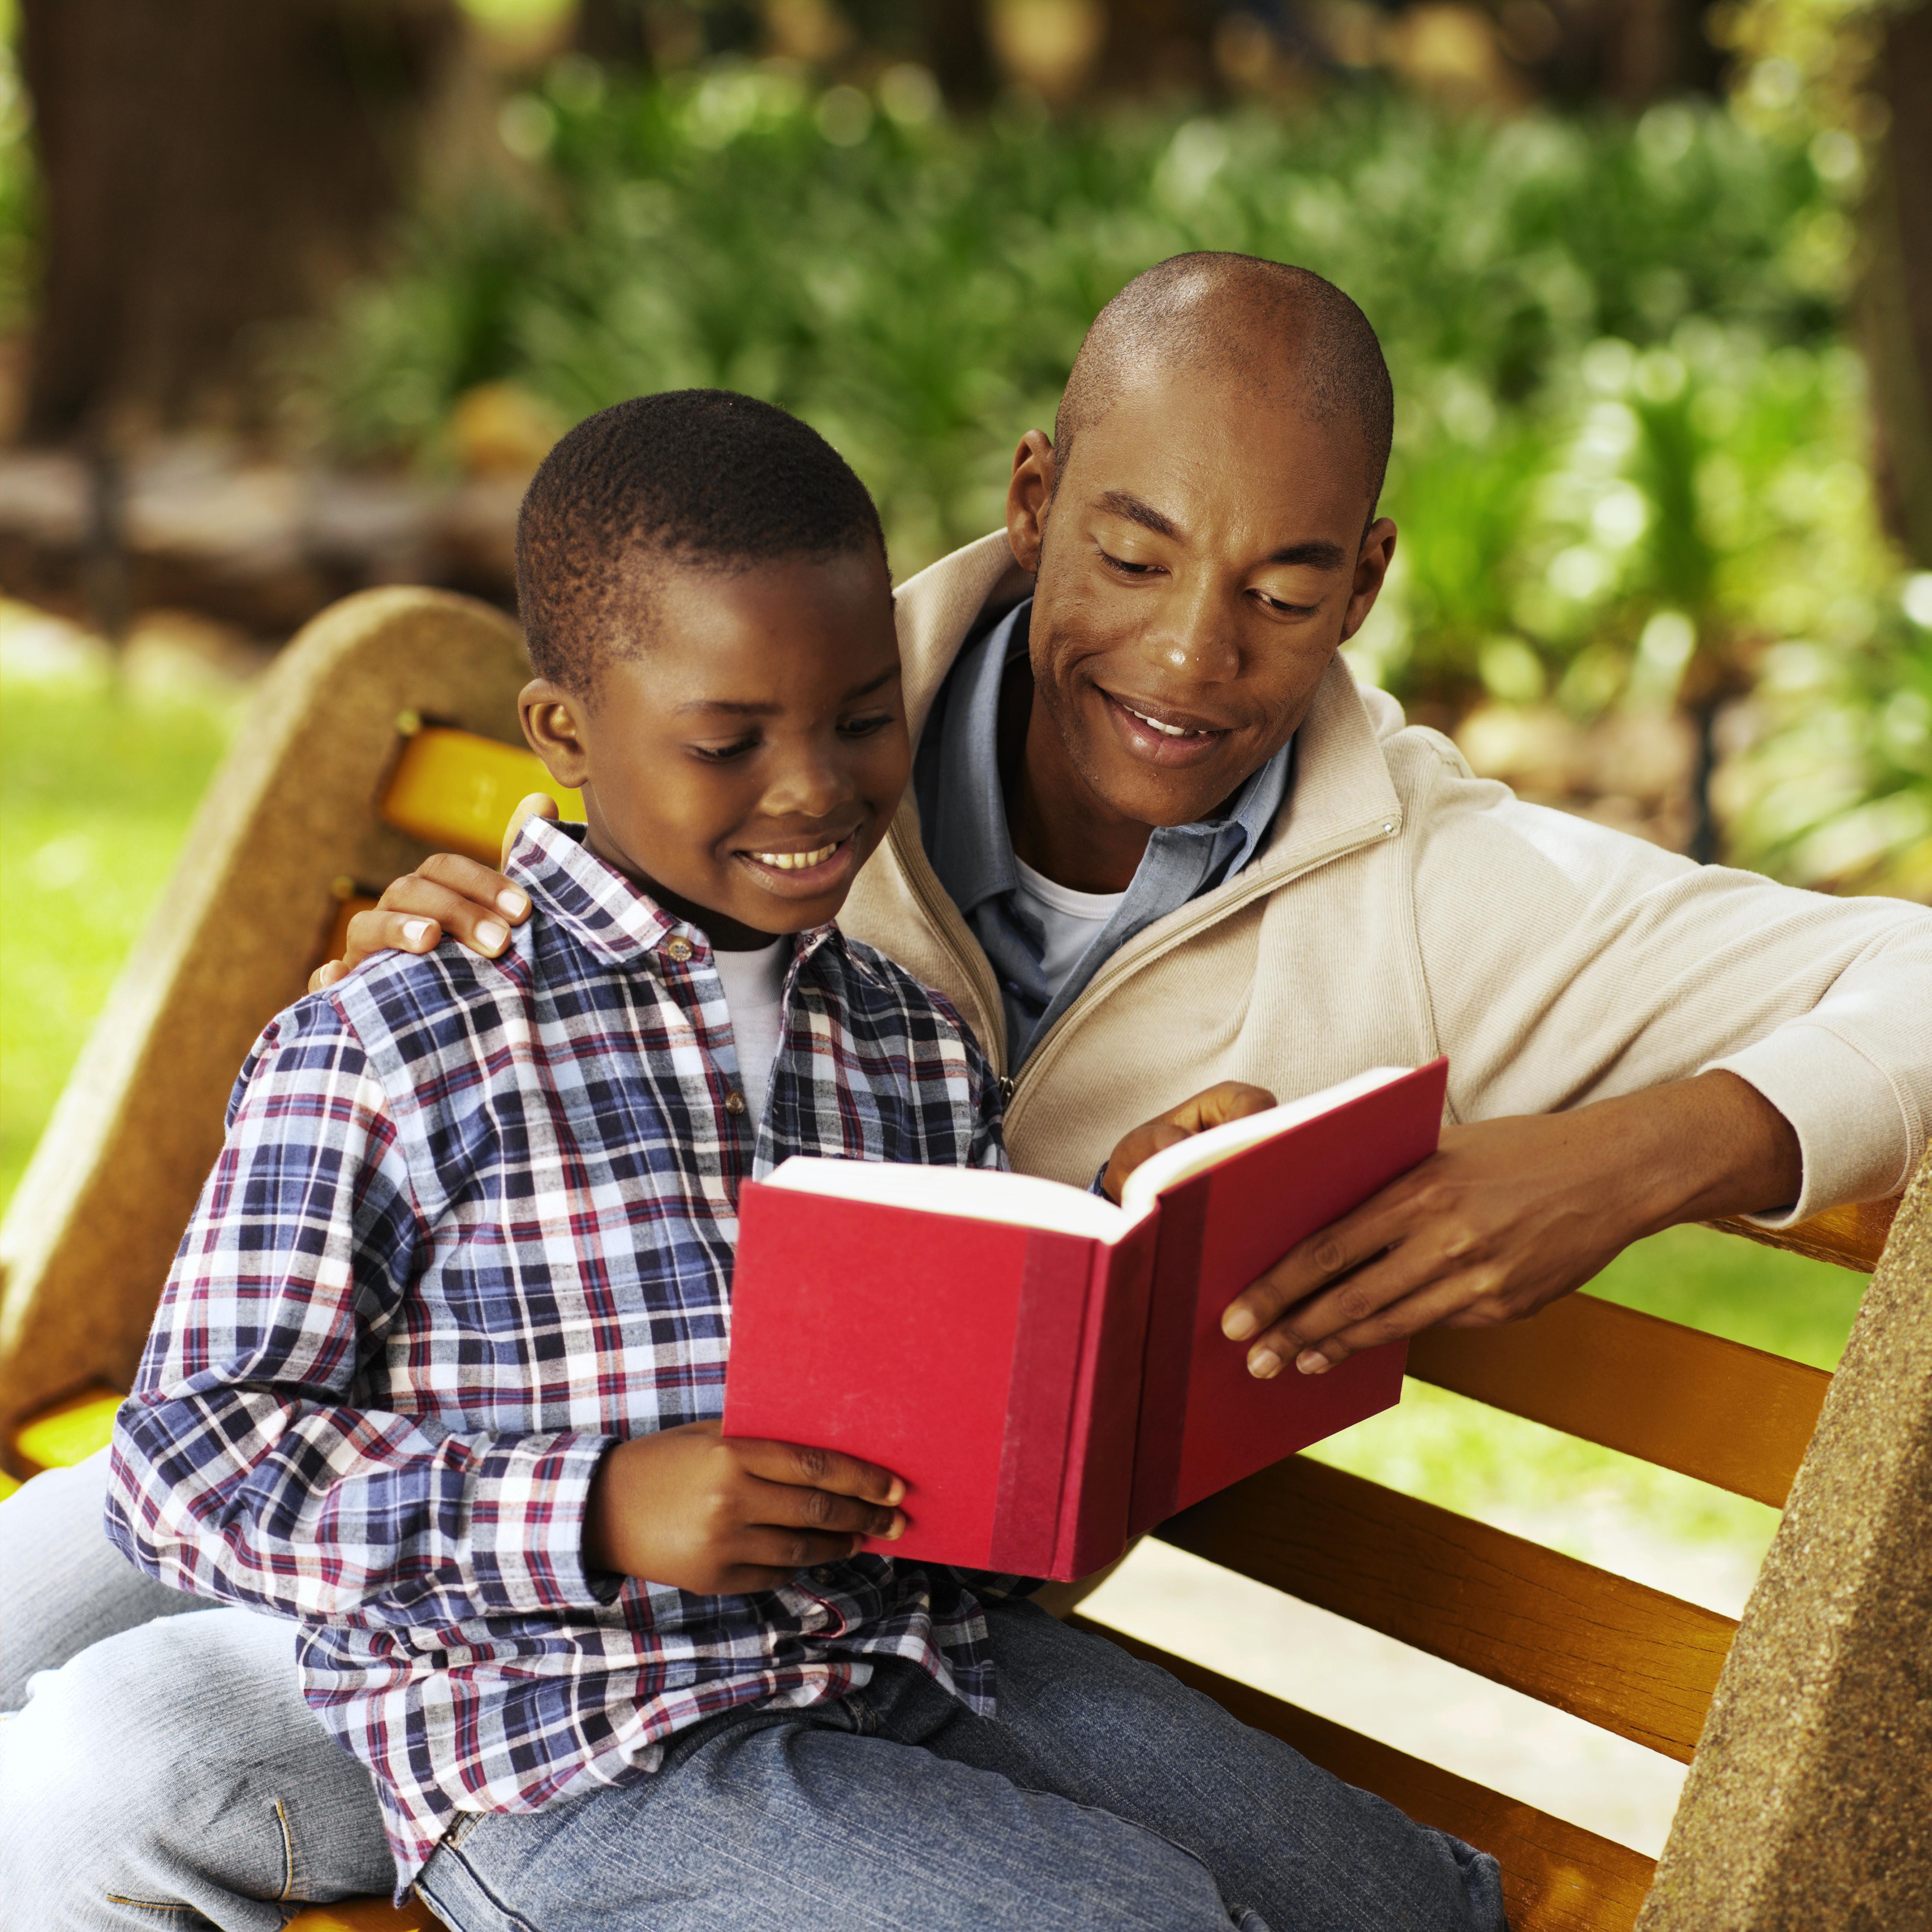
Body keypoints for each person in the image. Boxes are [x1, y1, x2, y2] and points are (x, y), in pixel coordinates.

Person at [5, 248, 1929, 1913]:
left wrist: (1622, 1164)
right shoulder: (835, 693)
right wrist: (492, 947)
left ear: (1367, 581)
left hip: (849, 1626)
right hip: (505, 1551)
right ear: (1033, 496)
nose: (1193, 647)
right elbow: (226, 1430)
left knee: (123, 1755)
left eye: (1284, 581)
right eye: (1133, 549)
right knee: (99, 1731)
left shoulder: (1446, 899)